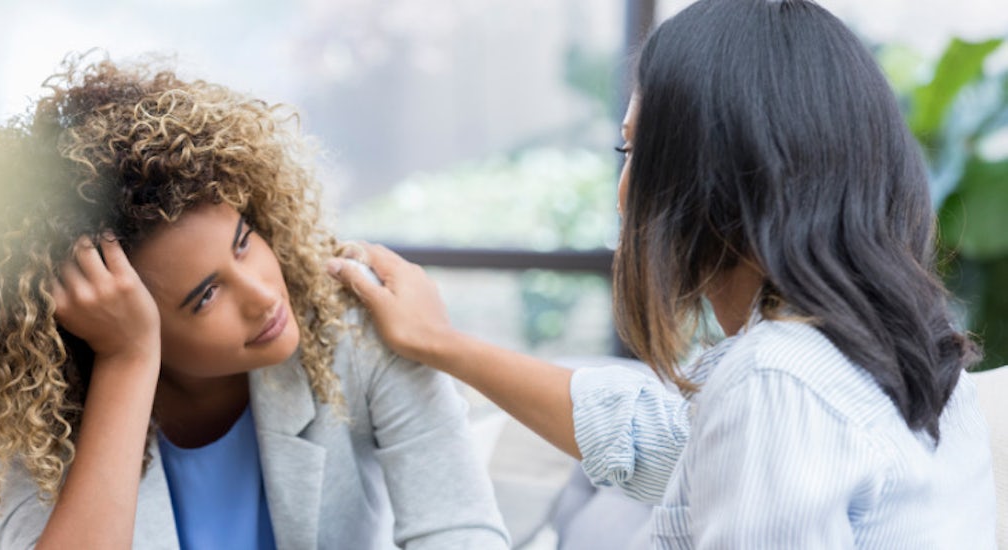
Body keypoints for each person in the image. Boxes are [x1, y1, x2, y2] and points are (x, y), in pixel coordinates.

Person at [327, 0, 998, 546]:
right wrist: (441, 344)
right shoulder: (904, 352)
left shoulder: (777, 382)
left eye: (635, 149)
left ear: (715, 173)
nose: (624, 192)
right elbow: (655, 436)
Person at [0, 55, 509, 550]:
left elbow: (463, 531)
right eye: (205, 295)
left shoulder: (356, 330)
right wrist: (128, 361)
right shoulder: (43, 411)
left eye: (244, 241)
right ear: (105, 315)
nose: (263, 295)